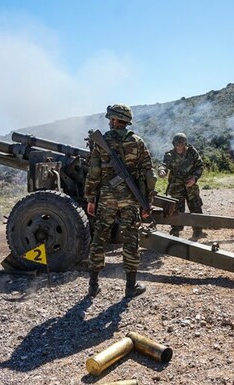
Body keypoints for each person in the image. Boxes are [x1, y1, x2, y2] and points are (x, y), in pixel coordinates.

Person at [84, 104, 156, 298]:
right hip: (130, 199)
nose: (109, 122)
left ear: (115, 120)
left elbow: (94, 172)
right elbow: (149, 174)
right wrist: (146, 203)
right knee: (131, 239)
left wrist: (91, 198)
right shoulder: (137, 142)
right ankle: (130, 287)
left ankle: (93, 286)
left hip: (107, 198)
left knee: (99, 237)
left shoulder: (102, 142)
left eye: (110, 119)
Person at [158, 133, 206, 238]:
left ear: (185, 144)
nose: (179, 146)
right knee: (176, 209)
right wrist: (162, 171)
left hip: (191, 185)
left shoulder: (192, 152)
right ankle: (175, 230)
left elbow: (200, 165)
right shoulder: (169, 155)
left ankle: (198, 230)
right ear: (174, 144)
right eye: (177, 144)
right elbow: (163, 165)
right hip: (176, 187)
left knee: (195, 206)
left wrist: (194, 178)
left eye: (181, 144)